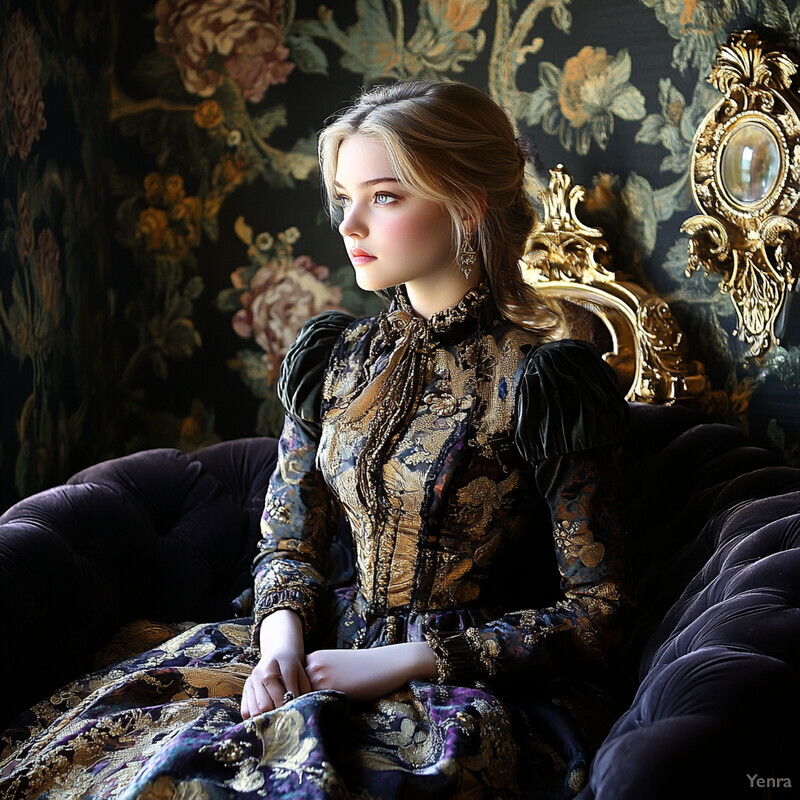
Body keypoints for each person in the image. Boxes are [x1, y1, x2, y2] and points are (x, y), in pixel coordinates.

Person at [0, 81, 631, 799]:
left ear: (465, 206)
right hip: (314, 644)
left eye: (384, 197)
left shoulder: (544, 383)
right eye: (344, 198)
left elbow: (598, 614)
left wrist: (408, 662)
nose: (348, 225)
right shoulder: (334, 358)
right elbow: (289, 537)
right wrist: (279, 647)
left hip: (461, 692)